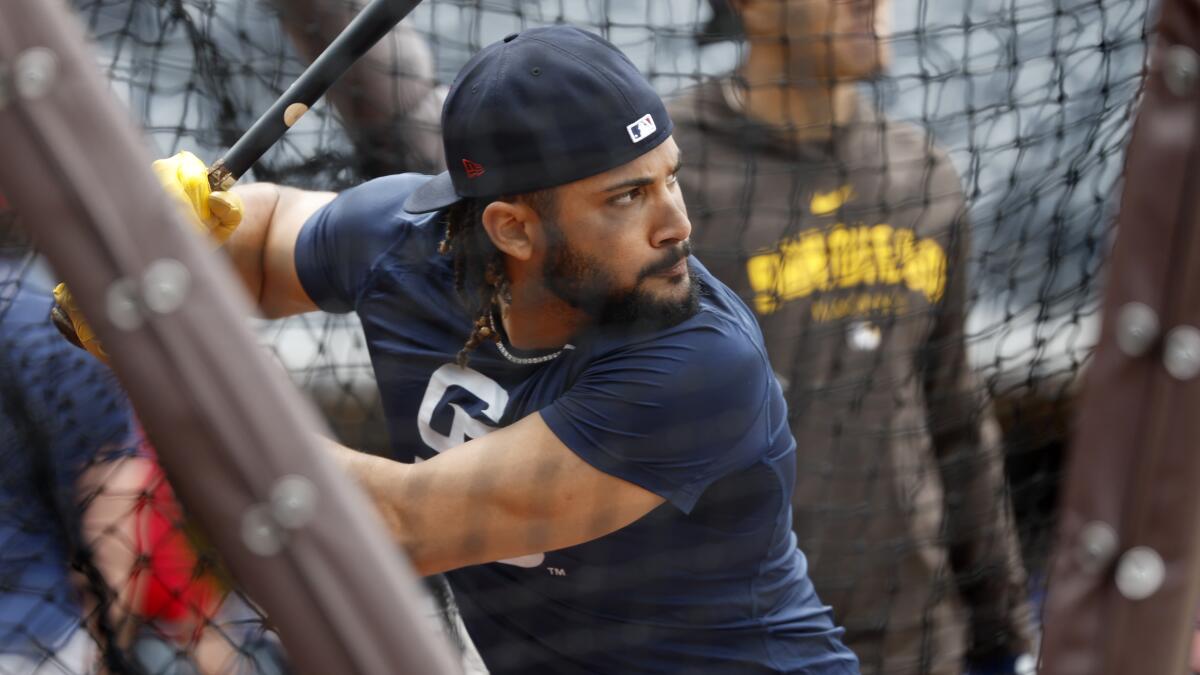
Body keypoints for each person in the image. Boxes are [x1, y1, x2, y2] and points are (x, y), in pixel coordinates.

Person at [57, 25, 862, 674]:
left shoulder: (700, 366)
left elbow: (389, 525)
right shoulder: (404, 243)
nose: (677, 223)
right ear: (510, 227)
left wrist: (149, 345)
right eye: (627, 196)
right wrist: (161, 234)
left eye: (669, 178)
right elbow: (262, 234)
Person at [667, 1, 1035, 673]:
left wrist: (1003, 629)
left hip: (919, 636)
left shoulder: (921, 175)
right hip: (748, 641)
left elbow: (955, 417)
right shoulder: (673, 184)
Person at [0, 206, 145, 674]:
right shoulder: (47, 324)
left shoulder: (45, 324)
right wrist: (109, 653)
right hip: (36, 645)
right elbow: (115, 511)